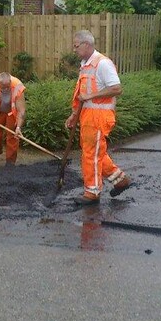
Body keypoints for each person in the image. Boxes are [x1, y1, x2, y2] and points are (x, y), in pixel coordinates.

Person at [65, 30, 131, 205]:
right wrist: (74, 114)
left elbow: (116, 88)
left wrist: (91, 96)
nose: (74, 49)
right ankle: (120, 180)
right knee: (96, 152)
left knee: (90, 155)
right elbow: (81, 94)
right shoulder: (86, 65)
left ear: (87, 44)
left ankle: (92, 192)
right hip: (88, 115)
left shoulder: (102, 64)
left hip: (99, 116)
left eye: (76, 45)